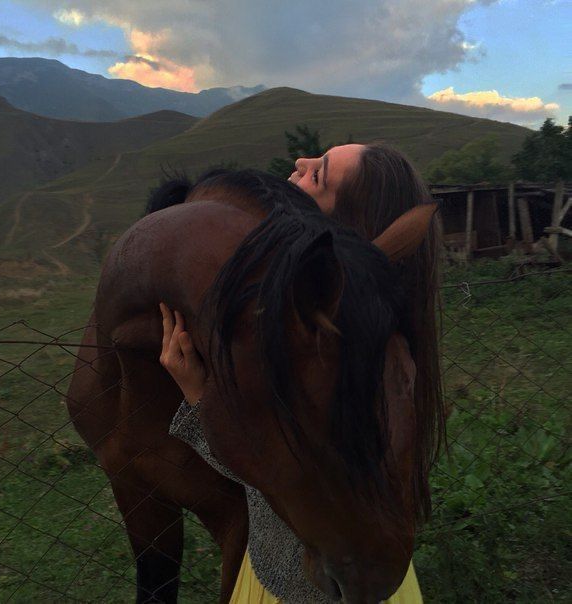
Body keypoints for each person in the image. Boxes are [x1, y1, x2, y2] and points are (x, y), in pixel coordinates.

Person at [159, 142, 444, 603]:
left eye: (319, 176)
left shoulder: (329, 359)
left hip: (298, 587)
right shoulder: (384, 338)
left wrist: (199, 401)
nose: (299, 165)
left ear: (343, 228)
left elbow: (273, 483)